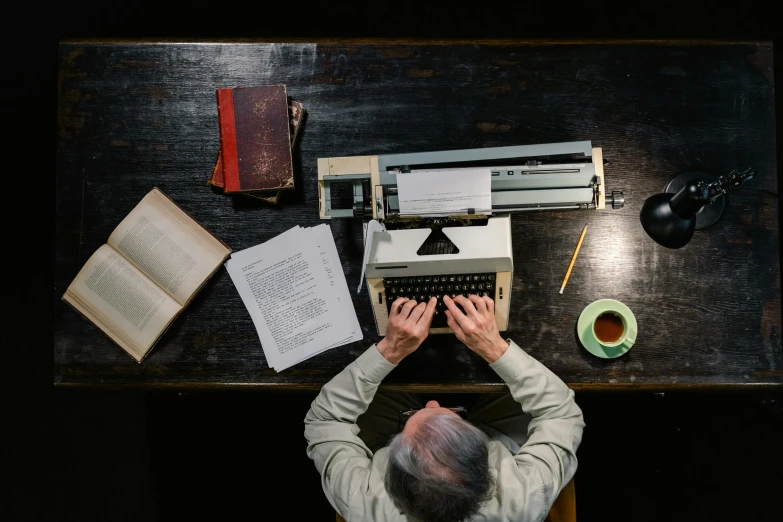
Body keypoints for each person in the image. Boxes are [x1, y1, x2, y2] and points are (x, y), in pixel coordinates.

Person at [304, 294, 585, 522]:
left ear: (391, 480)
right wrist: (494, 348)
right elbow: (560, 412)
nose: (433, 402)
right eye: (450, 418)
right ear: (487, 469)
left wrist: (390, 349)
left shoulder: (361, 502)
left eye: (415, 421)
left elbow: (325, 419)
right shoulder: (526, 497)